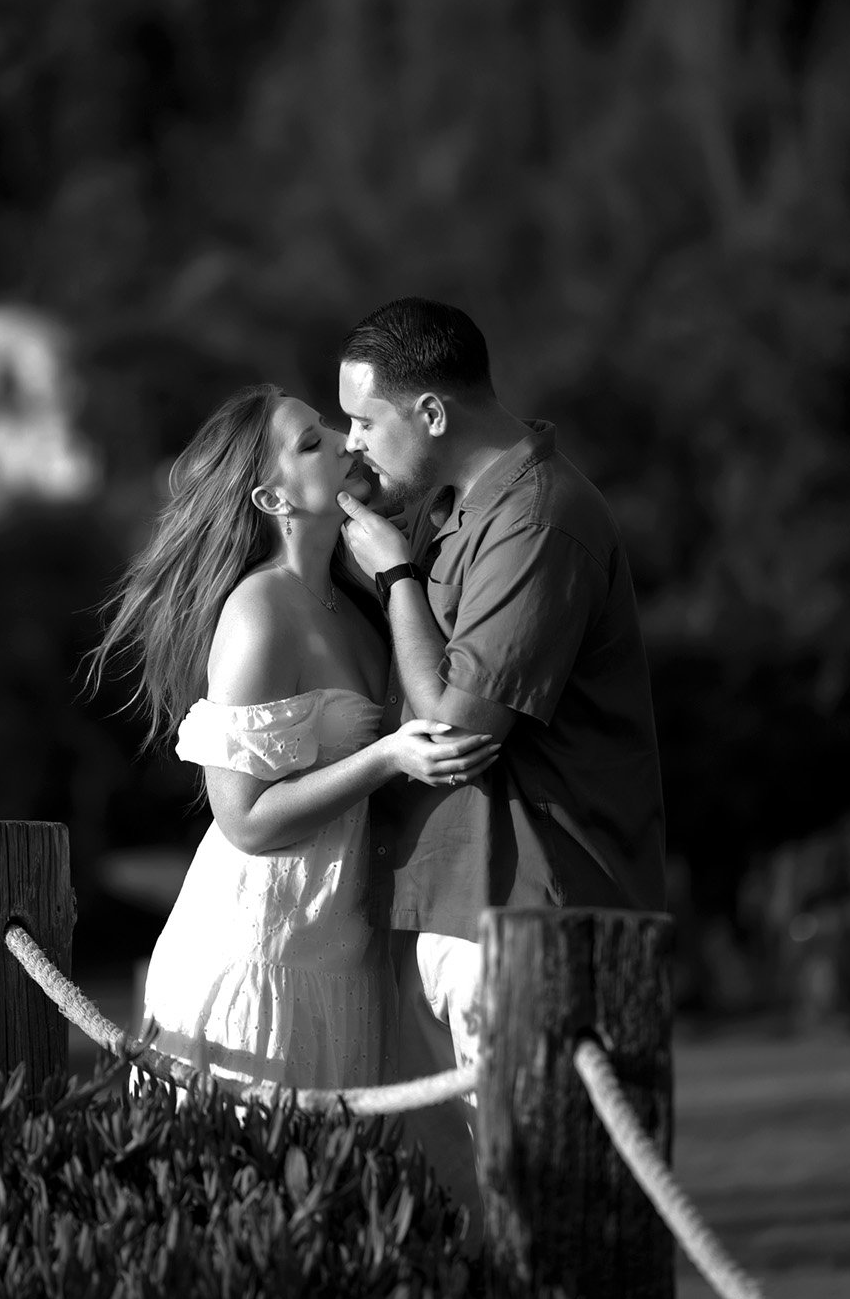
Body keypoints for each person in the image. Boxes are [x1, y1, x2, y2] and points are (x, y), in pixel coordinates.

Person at [335, 297, 667, 1241]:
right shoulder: (453, 508)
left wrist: (399, 577)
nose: (354, 445)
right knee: (473, 1232)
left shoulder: (541, 518)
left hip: (534, 911)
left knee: (548, 1226)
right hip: (451, 907)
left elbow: (449, 722)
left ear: (432, 413)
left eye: (365, 420)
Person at [87, 382, 498, 1092]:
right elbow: (243, 820)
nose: (344, 440)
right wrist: (389, 755)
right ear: (273, 502)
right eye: (311, 442)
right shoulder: (261, 611)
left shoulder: (350, 597)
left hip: (340, 950)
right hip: (259, 950)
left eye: (330, 428)